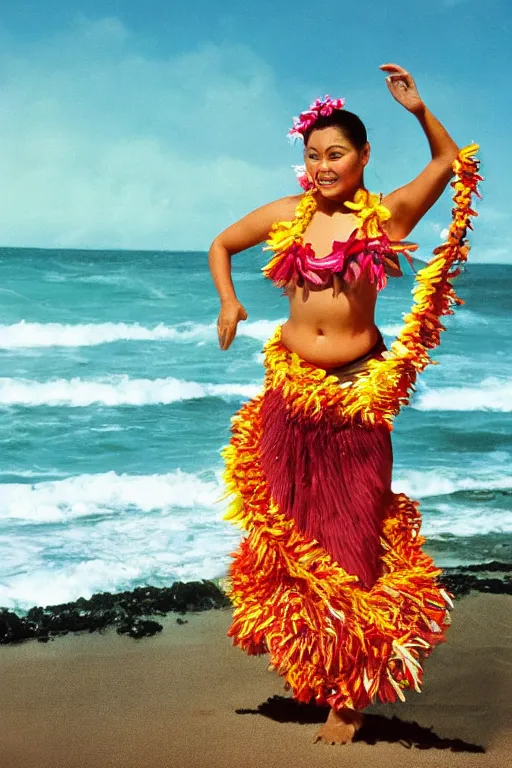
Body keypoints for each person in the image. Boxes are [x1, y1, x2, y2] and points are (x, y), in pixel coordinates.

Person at [208, 63, 481, 745]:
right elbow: (221, 243)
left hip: (358, 397)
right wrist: (229, 299)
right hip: (290, 397)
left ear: (363, 157)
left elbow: (449, 162)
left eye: (337, 154)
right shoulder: (287, 215)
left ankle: (352, 695)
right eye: (314, 155)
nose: (324, 166)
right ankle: (312, 662)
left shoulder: (384, 217)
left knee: (355, 538)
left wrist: (419, 109)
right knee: (293, 528)